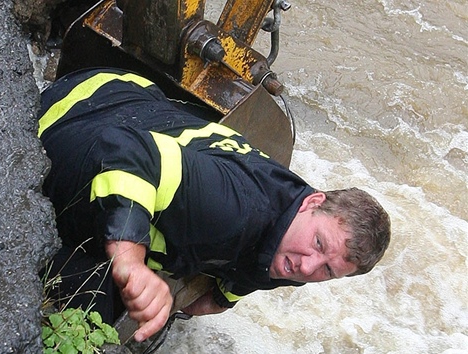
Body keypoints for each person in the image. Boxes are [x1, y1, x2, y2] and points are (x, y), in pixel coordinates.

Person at [37, 67, 391, 343]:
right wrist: (131, 263)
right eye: (318, 244)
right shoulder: (234, 209)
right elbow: (130, 153)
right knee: (91, 328)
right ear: (313, 201)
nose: (306, 266)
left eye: (327, 271)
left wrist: (220, 300)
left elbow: (260, 266)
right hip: (71, 116)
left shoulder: (295, 246)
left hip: (137, 103)